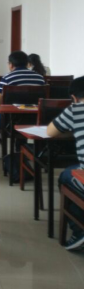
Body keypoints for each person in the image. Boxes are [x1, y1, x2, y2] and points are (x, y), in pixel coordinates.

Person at [47, 76, 84, 251]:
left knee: (65, 176)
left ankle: (79, 231)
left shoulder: (75, 110)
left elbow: (50, 132)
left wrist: (73, 130)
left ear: (74, 97)